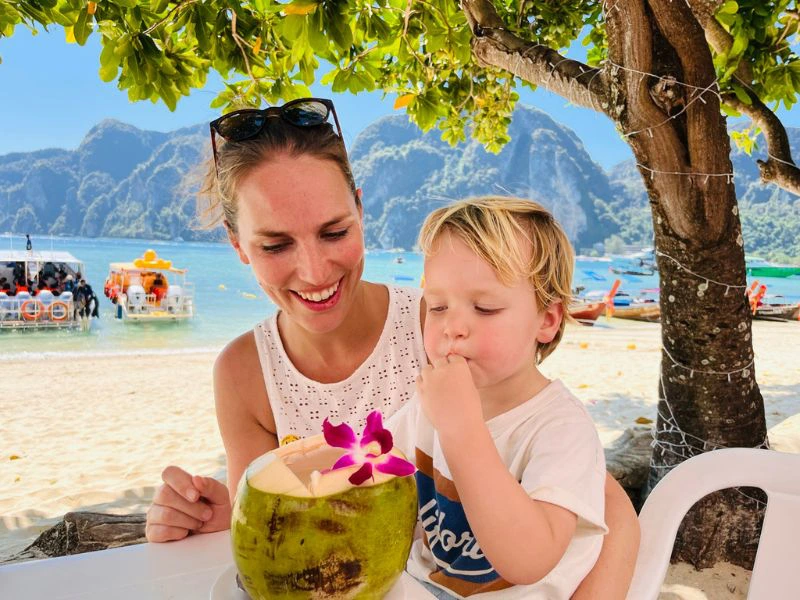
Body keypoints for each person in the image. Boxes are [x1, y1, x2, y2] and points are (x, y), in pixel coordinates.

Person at [144, 98, 638, 598]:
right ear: (236, 244)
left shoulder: (438, 330)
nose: (314, 272)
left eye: (334, 231)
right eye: (275, 245)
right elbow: (324, 504)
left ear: (361, 208)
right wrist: (228, 511)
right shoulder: (246, 372)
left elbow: (591, 501)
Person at [388, 197, 606, 599]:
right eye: (437, 307)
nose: (452, 326)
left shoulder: (561, 429)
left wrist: (461, 429)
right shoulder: (426, 405)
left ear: (547, 319)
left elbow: (529, 560)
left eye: (484, 308)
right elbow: (374, 471)